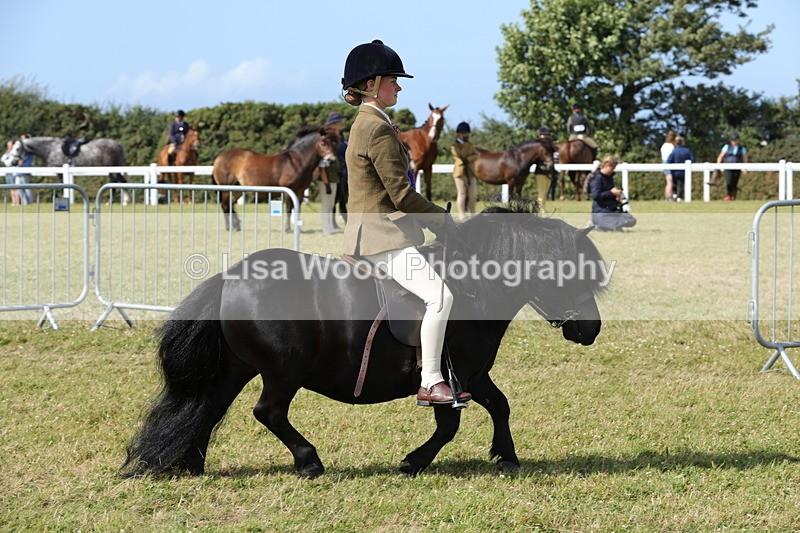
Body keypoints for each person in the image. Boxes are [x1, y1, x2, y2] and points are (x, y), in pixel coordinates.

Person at [341, 39, 470, 407]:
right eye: (392, 80)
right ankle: (430, 381)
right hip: (381, 236)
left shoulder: (369, 122)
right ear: (370, 85)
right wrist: (441, 219)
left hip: (376, 231)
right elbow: (400, 195)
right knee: (441, 296)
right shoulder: (376, 128)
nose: (398, 86)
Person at [589, 155, 636, 231]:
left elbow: (610, 193)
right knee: (624, 221)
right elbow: (596, 196)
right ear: (607, 165)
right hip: (601, 212)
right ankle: (597, 223)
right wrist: (611, 193)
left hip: (611, 210)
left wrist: (616, 197)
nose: (613, 170)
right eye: (612, 168)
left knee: (631, 220)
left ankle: (607, 225)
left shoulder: (609, 177)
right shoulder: (597, 177)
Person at [450, 121, 478, 218]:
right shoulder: (454, 145)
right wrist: (467, 158)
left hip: (470, 171)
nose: (465, 134)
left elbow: (476, 155)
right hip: (460, 171)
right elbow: (459, 157)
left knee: (473, 194)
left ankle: (473, 213)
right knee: (462, 193)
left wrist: (469, 159)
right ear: (459, 133)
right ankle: (461, 214)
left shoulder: (469, 144)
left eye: (466, 133)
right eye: (463, 132)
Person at [326, 111, 349, 228]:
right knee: (334, 199)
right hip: (335, 171)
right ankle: (332, 223)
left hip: (345, 170)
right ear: (334, 124)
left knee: (344, 197)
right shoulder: (330, 139)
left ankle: (346, 222)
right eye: (340, 122)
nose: (342, 123)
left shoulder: (342, 136)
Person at [716, 133, 748, 201]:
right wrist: (718, 166)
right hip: (727, 166)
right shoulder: (726, 146)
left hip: (737, 167)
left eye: (735, 140)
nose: (733, 142)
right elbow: (720, 156)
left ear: (738, 140)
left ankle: (733, 197)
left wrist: (745, 168)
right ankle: (729, 195)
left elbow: (745, 158)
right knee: (729, 181)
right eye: (733, 140)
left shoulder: (742, 148)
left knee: (735, 182)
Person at [665, 135, 695, 201]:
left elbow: (669, 161)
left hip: (675, 171)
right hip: (683, 171)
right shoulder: (687, 151)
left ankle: (675, 195)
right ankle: (679, 197)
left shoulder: (674, 151)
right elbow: (693, 159)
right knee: (681, 184)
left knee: (674, 183)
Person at [533, 125, 557, 208]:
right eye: (544, 135)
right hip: (540, 171)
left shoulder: (550, 145)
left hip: (549, 171)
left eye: (548, 135)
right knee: (541, 191)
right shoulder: (537, 145)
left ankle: (542, 207)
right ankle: (539, 209)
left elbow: (557, 150)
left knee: (545, 191)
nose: (546, 137)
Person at [15, 134, 34, 205]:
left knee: (26, 187)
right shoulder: (20, 151)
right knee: (18, 187)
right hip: (19, 172)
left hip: (25, 171)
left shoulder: (29, 152)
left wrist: (22, 163)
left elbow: (29, 162)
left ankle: (30, 202)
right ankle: (24, 202)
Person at [2, 139, 21, 205]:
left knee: (15, 187)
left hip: (13, 172)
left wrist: (7, 158)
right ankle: (13, 202)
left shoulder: (14, 153)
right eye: (8, 145)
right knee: (10, 188)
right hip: (8, 172)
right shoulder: (7, 152)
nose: (9, 146)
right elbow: (2, 159)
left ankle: (17, 202)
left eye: (10, 145)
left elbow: (8, 162)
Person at [660, 130, 676, 200]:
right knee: (670, 181)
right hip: (669, 162)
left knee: (668, 180)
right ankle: (669, 196)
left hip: (664, 162)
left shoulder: (664, 145)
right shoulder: (671, 146)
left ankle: (668, 196)